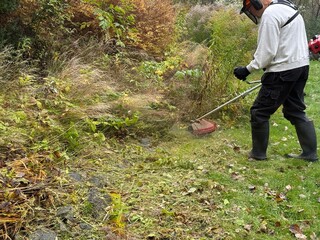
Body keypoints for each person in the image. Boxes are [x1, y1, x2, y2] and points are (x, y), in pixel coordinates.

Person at [233, 0, 318, 161]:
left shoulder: (270, 15)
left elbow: (267, 52)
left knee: (259, 111)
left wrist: (247, 69)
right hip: (300, 66)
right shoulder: (287, 7)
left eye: (250, 9)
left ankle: (258, 154)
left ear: (258, 4)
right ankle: (310, 153)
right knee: (295, 110)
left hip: (283, 71)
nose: (252, 13)